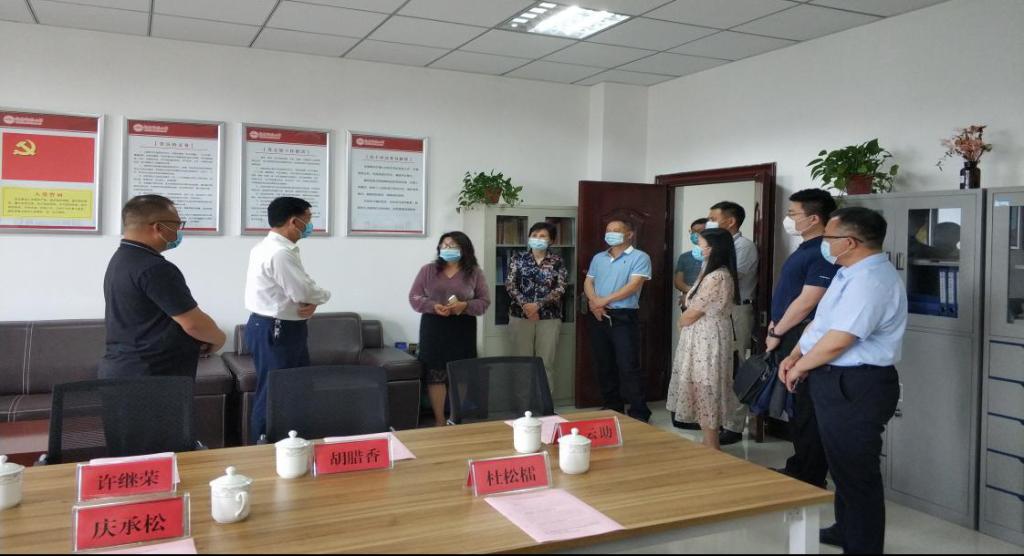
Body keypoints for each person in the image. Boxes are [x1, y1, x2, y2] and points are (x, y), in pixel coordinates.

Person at [779, 207, 907, 554]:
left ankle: (863, 545)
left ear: (849, 242)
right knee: (840, 463)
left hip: (857, 384)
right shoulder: (848, 272)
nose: (825, 244)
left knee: (857, 470)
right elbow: (822, 324)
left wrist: (800, 367)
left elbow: (840, 340)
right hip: (833, 377)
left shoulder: (871, 281)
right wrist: (795, 354)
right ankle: (845, 528)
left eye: (828, 238)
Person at [99, 195, 225, 379]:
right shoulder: (155, 268)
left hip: (126, 368)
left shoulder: (122, 259)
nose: (178, 232)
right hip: (151, 376)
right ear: (158, 227)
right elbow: (193, 324)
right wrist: (219, 339)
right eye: (177, 225)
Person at [765, 189, 840, 488]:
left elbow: (808, 301)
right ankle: (800, 464)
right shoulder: (806, 248)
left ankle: (810, 473)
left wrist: (777, 331)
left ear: (813, 218)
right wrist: (775, 324)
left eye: (793, 214)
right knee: (795, 404)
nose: (789, 219)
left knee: (806, 406)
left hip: (803, 334)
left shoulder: (823, 252)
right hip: (788, 331)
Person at [244, 197, 331, 443]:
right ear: (294, 221)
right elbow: (303, 291)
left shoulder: (266, 247)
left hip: (274, 326)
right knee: (274, 391)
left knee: (293, 389)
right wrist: (323, 296)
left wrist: (312, 297)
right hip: (277, 329)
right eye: (308, 220)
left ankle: (291, 443)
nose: (310, 225)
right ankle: (263, 446)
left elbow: (303, 287)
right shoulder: (280, 253)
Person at [667, 228, 741, 450]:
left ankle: (711, 443)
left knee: (707, 385)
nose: (698, 248)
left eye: (701, 244)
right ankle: (708, 440)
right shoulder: (708, 271)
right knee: (698, 384)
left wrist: (682, 320)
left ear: (714, 248)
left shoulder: (718, 276)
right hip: (700, 334)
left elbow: (695, 311)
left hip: (708, 336)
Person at [409, 232, 491, 427]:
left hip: (462, 327)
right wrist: (433, 306)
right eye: (444, 245)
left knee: (460, 374)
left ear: (464, 249)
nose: (447, 249)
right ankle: (439, 421)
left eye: (452, 245)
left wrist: (465, 306)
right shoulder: (428, 270)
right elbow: (414, 297)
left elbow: (484, 302)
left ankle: (455, 418)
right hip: (434, 326)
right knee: (435, 374)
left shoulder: (474, 272)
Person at [583, 220, 653, 423]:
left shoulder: (640, 257)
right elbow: (589, 282)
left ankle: (639, 411)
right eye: (608, 230)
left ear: (629, 234)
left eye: (616, 230)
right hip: (599, 315)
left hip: (623, 316)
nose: (610, 233)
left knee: (628, 365)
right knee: (604, 363)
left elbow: (633, 286)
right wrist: (595, 303)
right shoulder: (599, 257)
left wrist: (603, 301)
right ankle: (612, 406)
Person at [707, 201, 758, 445]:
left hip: (737, 310)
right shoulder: (717, 247)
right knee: (720, 366)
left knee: (737, 367)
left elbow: (728, 278)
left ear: (730, 221)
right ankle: (717, 420)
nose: (709, 223)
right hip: (716, 312)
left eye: (713, 218)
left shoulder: (744, 247)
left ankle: (734, 425)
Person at [506, 222, 569, 396]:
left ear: (551, 240)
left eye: (542, 236)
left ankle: (544, 405)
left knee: (545, 363)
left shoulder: (557, 261)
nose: (538, 239)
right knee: (522, 364)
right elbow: (510, 285)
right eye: (534, 235)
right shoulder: (517, 259)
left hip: (549, 318)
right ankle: (523, 405)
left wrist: (537, 306)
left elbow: (561, 288)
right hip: (520, 316)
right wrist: (526, 306)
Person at [674, 218, 708, 302]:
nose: (695, 235)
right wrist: (693, 293)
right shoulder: (684, 257)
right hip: (688, 301)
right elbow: (678, 282)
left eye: (699, 231)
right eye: (693, 232)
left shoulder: (717, 256)